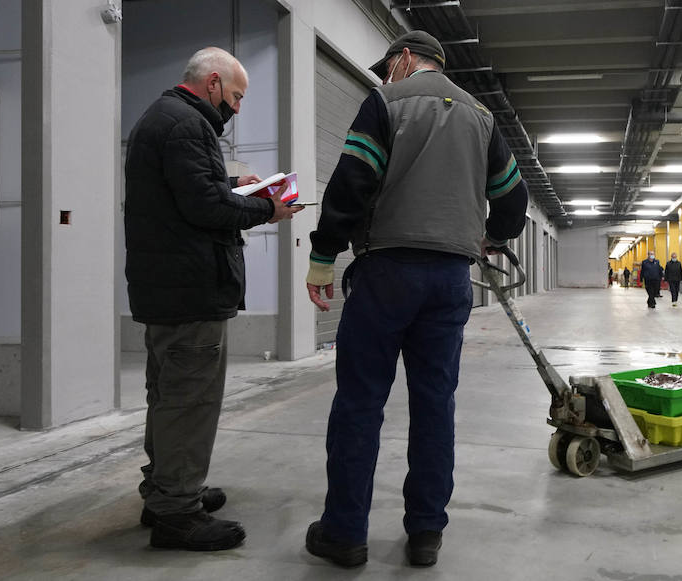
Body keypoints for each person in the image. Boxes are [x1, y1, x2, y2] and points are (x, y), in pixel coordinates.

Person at [302, 30, 527, 568]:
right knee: (435, 404)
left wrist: (322, 255)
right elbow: (513, 202)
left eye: (387, 68)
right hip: (451, 280)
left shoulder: (386, 102)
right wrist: (489, 238)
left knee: (360, 403)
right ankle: (426, 531)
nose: (384, 77)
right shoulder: (481, 117)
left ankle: (345, 533)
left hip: (387, 272)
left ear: (404, 59)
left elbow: (352, 181)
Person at [124, 47, 301, 551]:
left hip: (169, 289)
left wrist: (233, 184)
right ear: (214, 83)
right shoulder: (185, 124)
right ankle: (177, 514)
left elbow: (185, 190)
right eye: (237, 96)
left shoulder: (166, 119)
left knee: (168, 397)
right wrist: (268, 209)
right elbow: (202, 206)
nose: (238, 108)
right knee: (189, 402)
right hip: (190, 290)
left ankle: (165, 491)